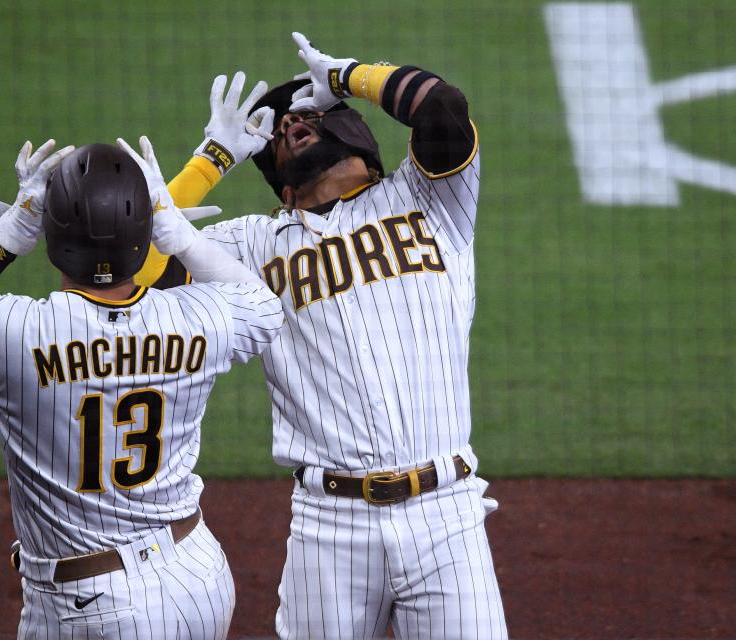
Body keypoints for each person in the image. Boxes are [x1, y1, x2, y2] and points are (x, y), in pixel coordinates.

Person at [135, 33, 508, 639]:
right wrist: (210, 160)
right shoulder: (252, 245)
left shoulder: (430, 199)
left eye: (310, 115)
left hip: (448, 514)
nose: (292, 123)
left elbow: (442, 106)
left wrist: (347, 78)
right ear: (280, 184)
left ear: (362, 140)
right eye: (282, 127)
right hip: (327, 524)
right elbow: (134, 271)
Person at [0, 134, 283, 639]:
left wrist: (3, 240)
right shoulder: (200, 317)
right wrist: (178, 232)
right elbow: (263, 305)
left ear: (51, 238)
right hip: (199, 575)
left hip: (92, 605)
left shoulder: (8, 330)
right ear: (145, 234)